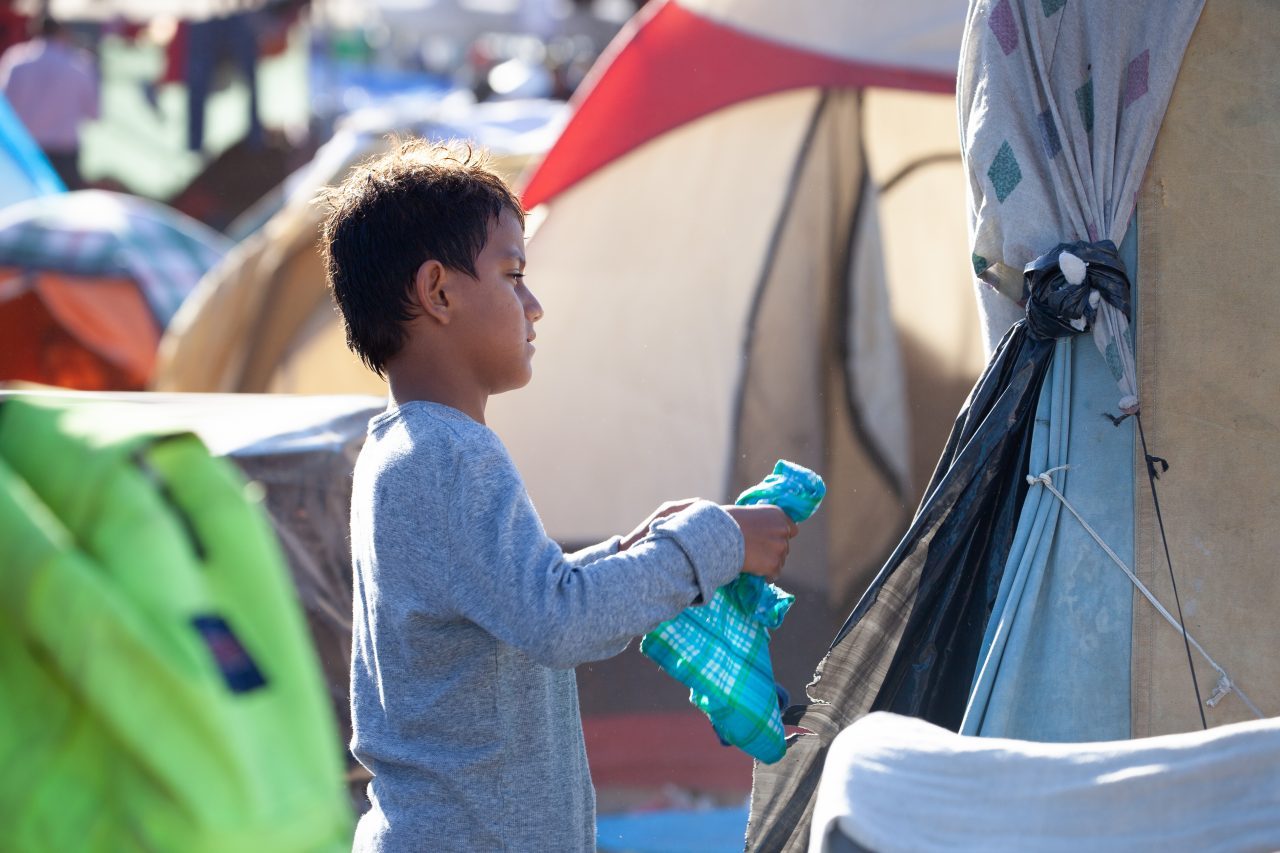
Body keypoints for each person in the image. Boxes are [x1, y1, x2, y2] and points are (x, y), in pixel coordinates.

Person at [319, 138, 799, 852]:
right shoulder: (450, 454)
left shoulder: (402, 449)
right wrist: (715, 542)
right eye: (512, 275)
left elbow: (514, 594)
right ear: (438, 292)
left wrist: (636, 547)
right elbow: (557, 620)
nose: (533, 305)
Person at [0, 16, 98, 189]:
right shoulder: (79, 63)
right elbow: (93, 112)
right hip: (63, 154)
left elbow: (4, 109)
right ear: (62, 32)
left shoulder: (16, 61)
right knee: (64, 212)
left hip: (24, 150)